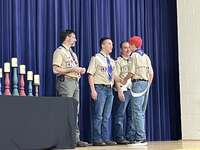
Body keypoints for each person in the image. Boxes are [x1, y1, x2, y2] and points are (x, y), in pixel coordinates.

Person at [52, 29, 88, 147]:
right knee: (66, 111)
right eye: (73, 37)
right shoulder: (60, 51)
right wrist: (72, 70)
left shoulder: (72, 53)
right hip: (66, 82)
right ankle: (64, 139)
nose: (75, 40)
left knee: (75, 111)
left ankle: (75, 138)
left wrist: (79, 71)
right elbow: (56, 70)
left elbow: (73, 68)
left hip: (75, 81)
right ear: (67, 38)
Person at [87, 37, 120, 146]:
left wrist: (121, 82)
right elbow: (90, 74)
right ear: (103, 45)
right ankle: (97, 138)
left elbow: (113, 76)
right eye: (109, 44)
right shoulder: (96, 58)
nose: (112, 46)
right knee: (99, 115)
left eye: (112, 44)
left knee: (106, 116)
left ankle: (105, 138)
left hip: (109, 89)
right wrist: (93, 90)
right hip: (99, 88)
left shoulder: (111, 61)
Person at [123, 36, 154, 145]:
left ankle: (140, 137)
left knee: (136, 111)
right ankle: (140, 136)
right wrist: (147, 85)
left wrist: (124, 80)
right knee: (141, 111)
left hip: (137, 83)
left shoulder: (134, 56)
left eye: (130, 44)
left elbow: (131, 72)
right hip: (146, 84)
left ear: (133, 45)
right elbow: (151, 74)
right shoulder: (146, 56)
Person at [112, 41, 134, 144]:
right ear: (121, 49)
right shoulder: (118, 61)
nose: (128, 49)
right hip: (123, 90)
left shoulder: (133, 60)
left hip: (132, 90)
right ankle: (119, 137)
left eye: (129, 47)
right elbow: (116, 78)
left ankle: (130, 136)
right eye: (125, 48)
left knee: (131, 115)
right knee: (120, 114)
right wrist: (119, 91)